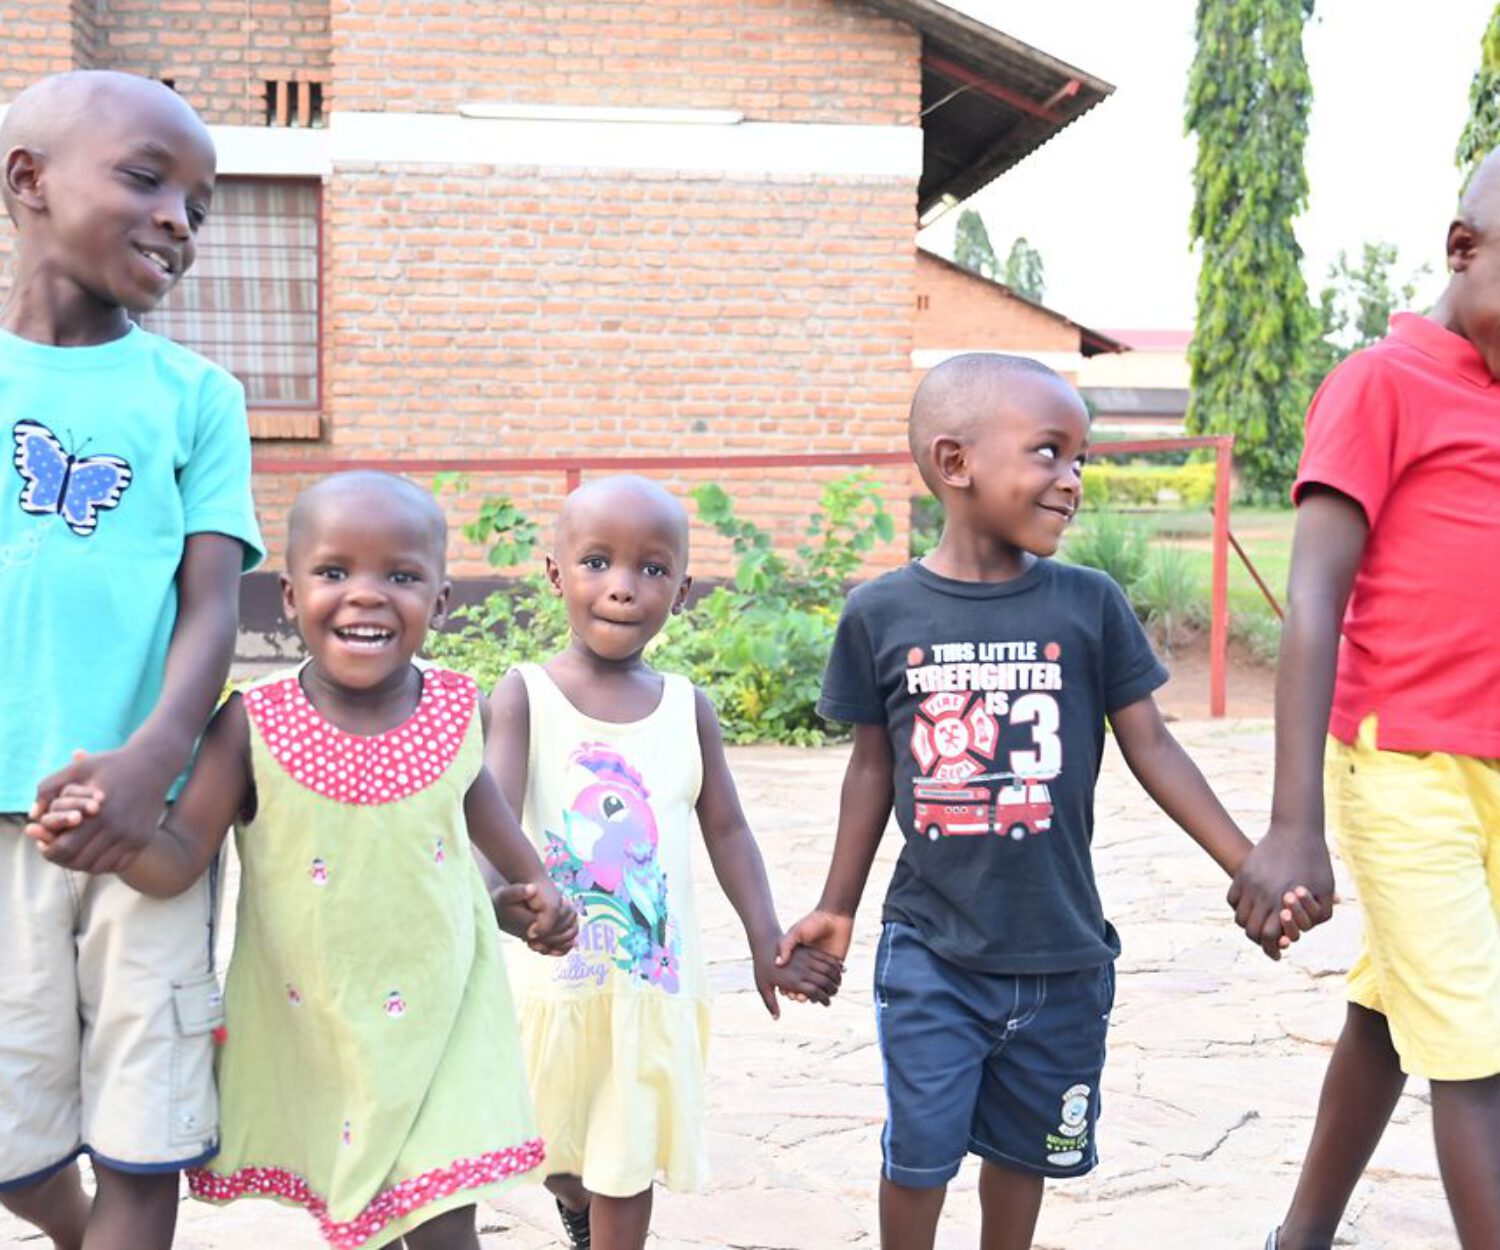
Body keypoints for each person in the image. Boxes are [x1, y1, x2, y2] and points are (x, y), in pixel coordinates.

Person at [776, 353, 1320, 1250]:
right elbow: (872, 769)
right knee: (921, 1150)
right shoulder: (881, 612)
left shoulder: (1087, 604)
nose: (1072, 479)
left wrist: (1248, 862)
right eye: (1049, 453)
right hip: (934, 949)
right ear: (957, 464)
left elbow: (1153, 743)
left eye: (1080, 458)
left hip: (1061, 951)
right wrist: (838, 904)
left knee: (1025, 1153)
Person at [33, 471, 577, 1250]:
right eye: (334, 572)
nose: (366, 594)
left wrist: (541, 900)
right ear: (289, 596)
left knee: (445, 1227)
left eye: (400, 575)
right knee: (366, 1217)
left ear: (441, 602)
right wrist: (110, 841)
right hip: (325, 1030)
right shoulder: (251, 723)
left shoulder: (460, 708)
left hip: (447, 1016)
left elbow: (490, 827)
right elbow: (180, 856)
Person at [0, 70, 263, 1250]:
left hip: (143, 830)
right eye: (149, 179)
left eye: (200, 207)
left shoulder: (195, 397)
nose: (179, 218)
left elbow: (213, 604)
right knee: (12, 1141)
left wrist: (154, 758)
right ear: (28, 182)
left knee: (145, 1133)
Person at [1231, 154, 1500, 1250]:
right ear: (1462, 248)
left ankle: (1301, 1234)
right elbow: (1311, 595)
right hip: (1403, 767)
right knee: (1477, 1046)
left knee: (1398, 1005)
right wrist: (1295, 823)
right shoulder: (1380, 384)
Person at [483, 473, 844, 1250]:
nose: (623, 588)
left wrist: (764, 942)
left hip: (654, 988)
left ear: (682, 591)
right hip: (551, 989)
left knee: (628, 1160)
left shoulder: (688, 707)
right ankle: (572, 1206)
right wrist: (501, 905)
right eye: (597, 563)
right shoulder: (524, 697)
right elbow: (492, 819)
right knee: (561, 1157)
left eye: (651, 570)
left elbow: (729, 830)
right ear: (556, 575)